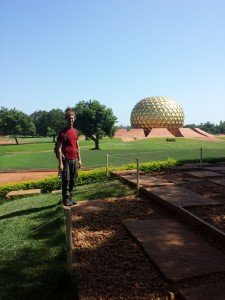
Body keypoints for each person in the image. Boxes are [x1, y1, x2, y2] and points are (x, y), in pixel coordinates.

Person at [56, 107, 82, 206]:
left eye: (72, 118)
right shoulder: (62, 132)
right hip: (66, 159)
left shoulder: (75, 131)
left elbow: (77, 146)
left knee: (73, 179)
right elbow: (59, 148)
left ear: (74, 119)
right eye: (69, 118)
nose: (71, 120)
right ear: (66, 119)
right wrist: (60, 163)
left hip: (74, 158)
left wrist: (80, 160)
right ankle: (66, 199)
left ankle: (70, 197)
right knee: (66, 179)